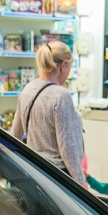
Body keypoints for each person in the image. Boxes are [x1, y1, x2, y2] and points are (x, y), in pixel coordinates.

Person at [11, 41, 86, 184]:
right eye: (69, 68)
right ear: (63, 65)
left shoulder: (27, 90)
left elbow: (15, 135)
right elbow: (67, 148)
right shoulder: (61, 95)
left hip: (35, 172)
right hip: (58, 176)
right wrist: (81, 182)